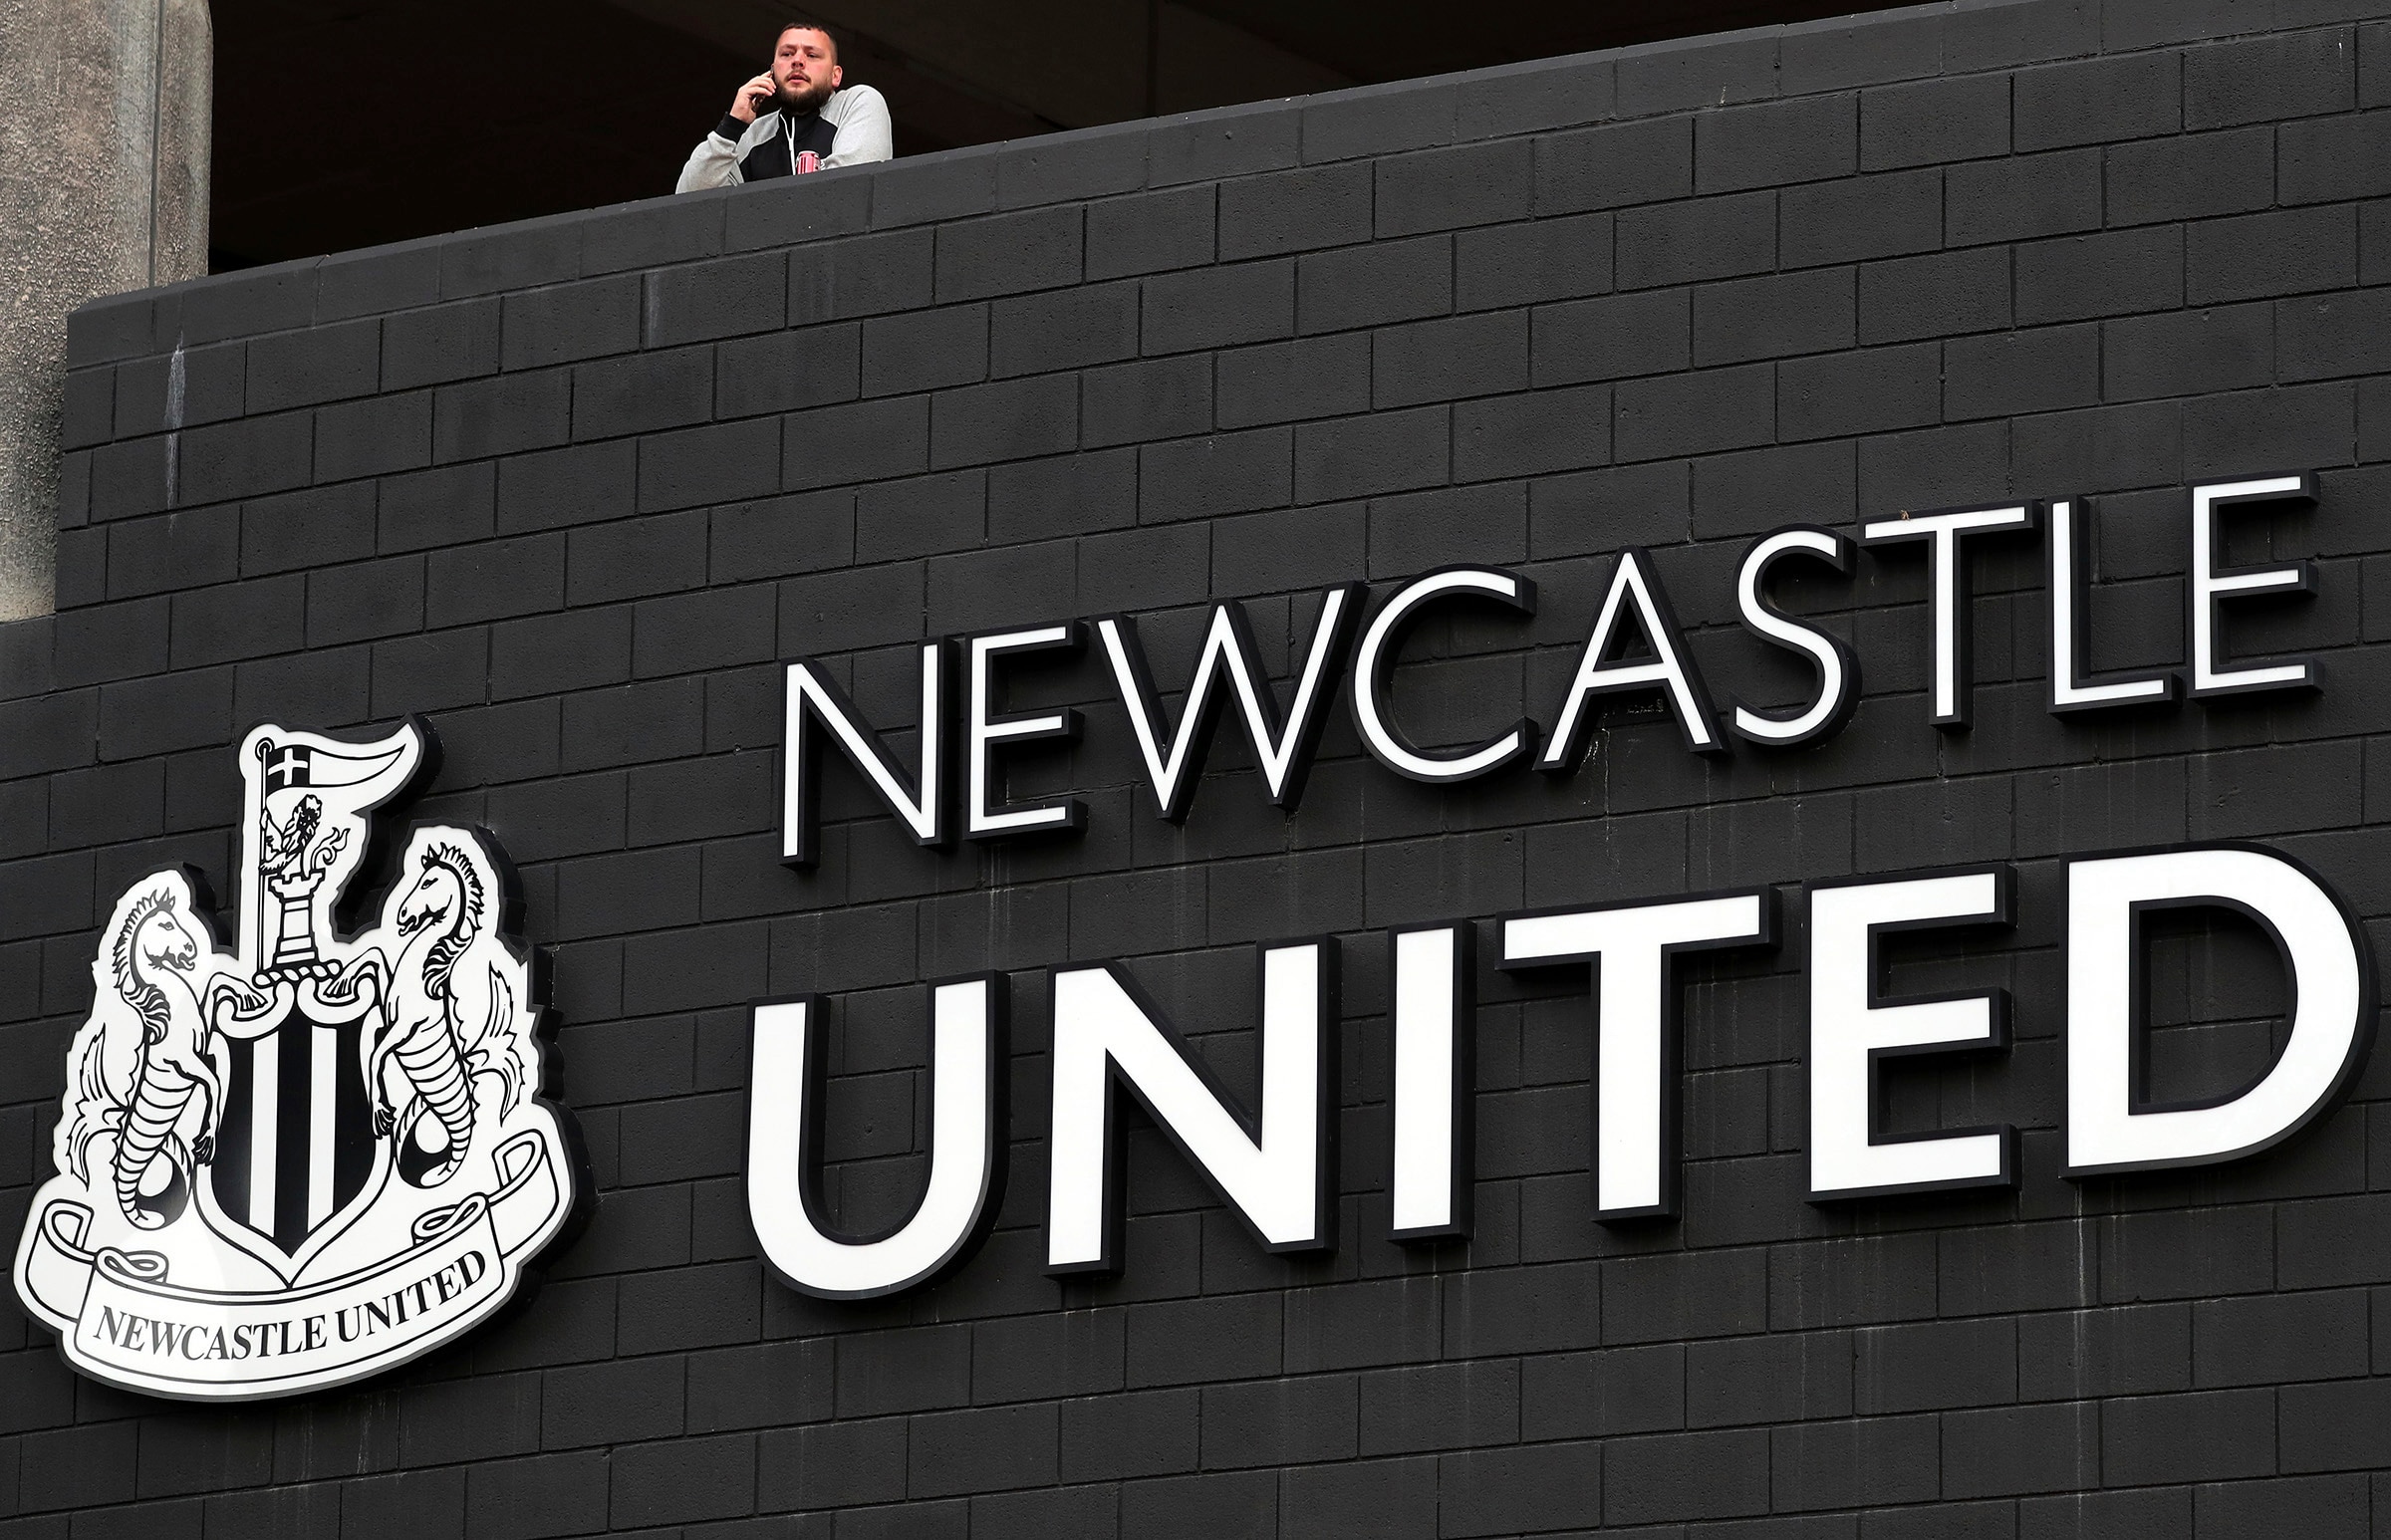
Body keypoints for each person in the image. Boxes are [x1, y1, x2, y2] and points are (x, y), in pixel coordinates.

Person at [677, 23, 892, 192]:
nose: (797, 61)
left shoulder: (857, 102)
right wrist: (731, 126)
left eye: (812, 55)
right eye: (787, 54)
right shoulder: (751, 136)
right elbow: (692, 205)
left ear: (835, 76)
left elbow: (851, 188)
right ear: (772, 71)